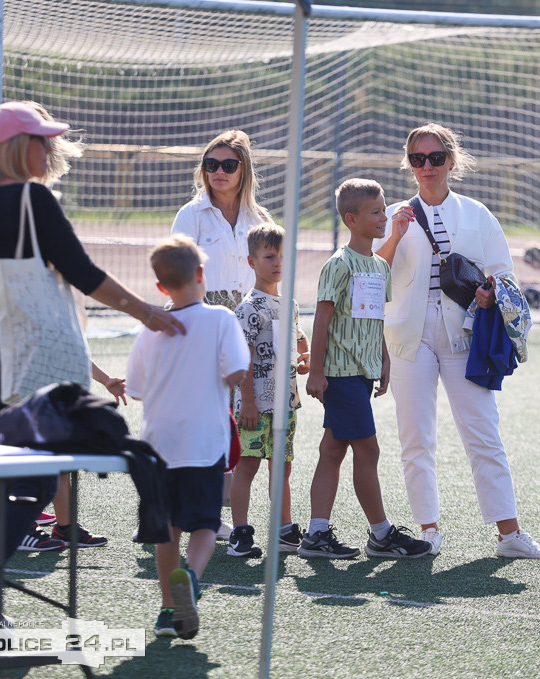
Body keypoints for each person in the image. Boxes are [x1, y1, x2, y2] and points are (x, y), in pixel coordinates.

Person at [0, 101, 184, 627]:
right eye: (42, 140)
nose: (52, 148)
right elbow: (82, 271)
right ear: (21, 148)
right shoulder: (29, 198)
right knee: (36, 477)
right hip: (6, 359)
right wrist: (145, 311)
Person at [374, 123, 540, 559]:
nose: (427, 167)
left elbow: (504, 274)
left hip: (464, 335)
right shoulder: (395, 213)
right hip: (408, 337)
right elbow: (369, 275)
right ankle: (429, 529)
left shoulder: (476, 213)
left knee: (482, 430)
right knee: (416, 436)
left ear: (452, 161)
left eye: (436, 158)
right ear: (409, 164)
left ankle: (509, 534)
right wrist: (395, 235)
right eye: (418, 159)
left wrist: (492, 292)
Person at [125, 235, 249, 639]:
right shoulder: (220, 319)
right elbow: (235, 372)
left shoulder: (150, 330)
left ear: (161, 287)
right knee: (205, 526)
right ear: (201, 275)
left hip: (157, 448)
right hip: (203, 443)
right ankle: (192, 581)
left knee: (167, 533)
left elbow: (137, 389)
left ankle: (166, 611)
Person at [302, 179, 431, 560]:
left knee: (332, 450)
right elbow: (322, 319)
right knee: (368, 450)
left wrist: (384, 359)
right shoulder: (338, 264)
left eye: (384, 209)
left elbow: (374, 318)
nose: (383, 217)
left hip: (363, 372)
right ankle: (381, 535)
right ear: (351, 218)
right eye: (376, 212)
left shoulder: (378, 266)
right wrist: (316, 371)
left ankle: (316, 534)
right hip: (339, 375)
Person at [171, 129, 273, 541]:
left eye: (228, 165)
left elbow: (268, 278)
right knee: (203, 419)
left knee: (236, 422)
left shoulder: (260, 219)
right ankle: (190, 510)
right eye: (210, 165)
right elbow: (174, 272)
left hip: (248, 327)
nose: (218, 172)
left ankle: (217, 512)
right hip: (200, 324)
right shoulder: (190, 215)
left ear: (243, 169)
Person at [228, 223, 310, 558]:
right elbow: (241, 358)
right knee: (246, 467)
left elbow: (299, 341)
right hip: (254, 406)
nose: (277, 263)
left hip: (284, 404)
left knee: (282, 468)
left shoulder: (287, 303)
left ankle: (284, 531)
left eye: (281, 257)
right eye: (269, 256)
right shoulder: (249, 308)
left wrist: (305, 359)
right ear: (251, 262)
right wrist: (247, 402)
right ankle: (240, 533)